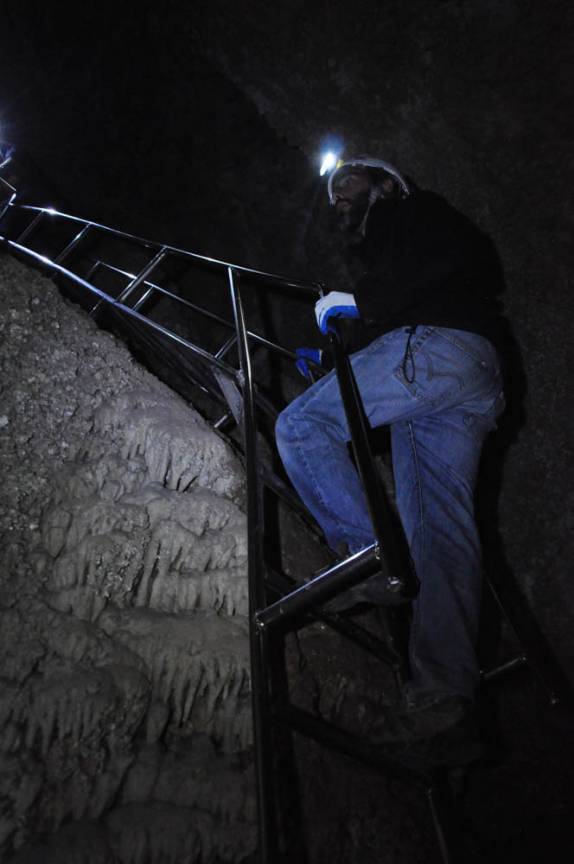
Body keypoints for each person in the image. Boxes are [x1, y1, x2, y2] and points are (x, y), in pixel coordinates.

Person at [275, 156, 506, 743]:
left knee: (301, 427)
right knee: (439, 531)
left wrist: (361, 299)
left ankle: (368, 556)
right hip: (465, 376)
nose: (338, 196)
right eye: (332, 193)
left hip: (437, 349)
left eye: (348, 182)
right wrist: (336, 357)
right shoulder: (398, 254)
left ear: (387, 182)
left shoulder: (413, 210)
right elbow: (404, 302)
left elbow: (449, 258)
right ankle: (444, 697)